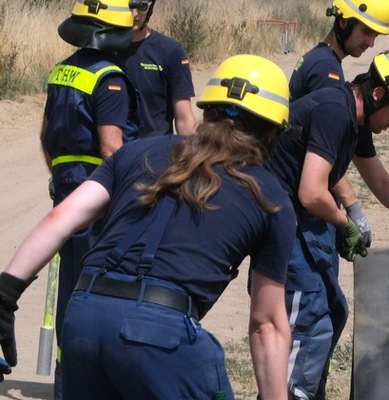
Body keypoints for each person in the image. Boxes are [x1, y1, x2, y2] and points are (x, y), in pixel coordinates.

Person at [0, 54, 295, 399]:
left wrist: (5, 295)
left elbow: (60, 218)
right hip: (160, 334)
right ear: (273, 132)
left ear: (207, 111)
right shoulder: (269, 198)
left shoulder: (136, 152)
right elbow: (267, 325)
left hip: (83, 317)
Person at [268, 48, 389, 399]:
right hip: (283, 221)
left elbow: (381, 183)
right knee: (308, 319)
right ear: (378, 93)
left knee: (334, 310)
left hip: (301, 218)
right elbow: (311, 192)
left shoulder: (356, 119)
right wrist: (344, 223)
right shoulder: (336, 111)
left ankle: (307, 391)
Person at [39, 1, 147, 396]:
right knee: (101, 291)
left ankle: (66, 385)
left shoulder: (62, 71)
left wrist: (62, 180)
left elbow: (46, 134)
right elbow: (111, 148)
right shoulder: (110, 78)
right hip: (100, 198)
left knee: (72, 290)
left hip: (67, 191)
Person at [289, 0, 389, 250]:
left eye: (375, 35)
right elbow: (322, 148)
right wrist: (351, 207)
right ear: (344, 21)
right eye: (366, 31)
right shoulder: (328, 72)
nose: (371, 42)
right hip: (302, 216)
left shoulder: (320, 58)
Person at [118, 0, 196, 137]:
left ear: (150, 8)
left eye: (141, 7)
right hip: (113, 153)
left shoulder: (171, 52)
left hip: (155, 152)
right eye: (128, 6)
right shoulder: (102, 50)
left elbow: (184, 119)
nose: (134, 14)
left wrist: (194, 155)